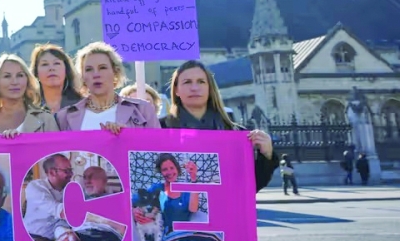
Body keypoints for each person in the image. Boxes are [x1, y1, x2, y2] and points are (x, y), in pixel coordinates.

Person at [161, 60, 277, 193]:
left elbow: (252, 186)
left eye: (201, 82)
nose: (194, 87)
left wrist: (266, 155)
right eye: (187, 82)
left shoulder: (235, 133)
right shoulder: (160, 129)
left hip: (225, 210)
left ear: (210, 88)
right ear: (176, 90)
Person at [55, 42, 160, 134]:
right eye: (88, 69)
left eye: (102, 68)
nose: (96, 74)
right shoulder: (65, 117)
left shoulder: (142, 110)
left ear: (115, 72)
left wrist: (128, 137)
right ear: (82, 76)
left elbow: (159, 150)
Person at [0, 54, 58, 136]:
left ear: (27, 80)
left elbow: (58, 151)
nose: (15, 82)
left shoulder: (45, 120)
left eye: (20, 75)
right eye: (7, 76)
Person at [30, 44, 83, 114]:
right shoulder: (29, 107)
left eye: (56, 63)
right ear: (36, 72)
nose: (51, 68)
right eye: (45, 64)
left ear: (66, 70)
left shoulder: (82, 104)